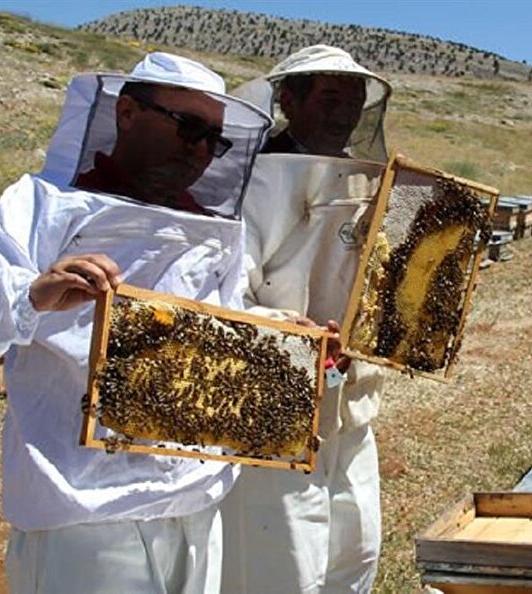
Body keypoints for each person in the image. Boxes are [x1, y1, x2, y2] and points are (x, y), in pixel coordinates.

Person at [0, 52, 272, 594]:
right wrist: (31, 296)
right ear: (126, 113)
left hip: (196, 501)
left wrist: (277, 333)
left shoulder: (213, 227)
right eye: (187, 126)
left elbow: (220, 324)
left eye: (214, 139)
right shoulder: (39, 205)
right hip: (84, 512)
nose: (200, 149)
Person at [220, 46, 393, 594]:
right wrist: (290, 330)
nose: (345, 113)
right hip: (277, 396)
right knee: (284, 559)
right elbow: (227, 290)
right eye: (330, 98)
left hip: (352, 401)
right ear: (289, 101)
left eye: (354, 100)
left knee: (355, 547)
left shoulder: (361, 178)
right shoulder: (255, 180)